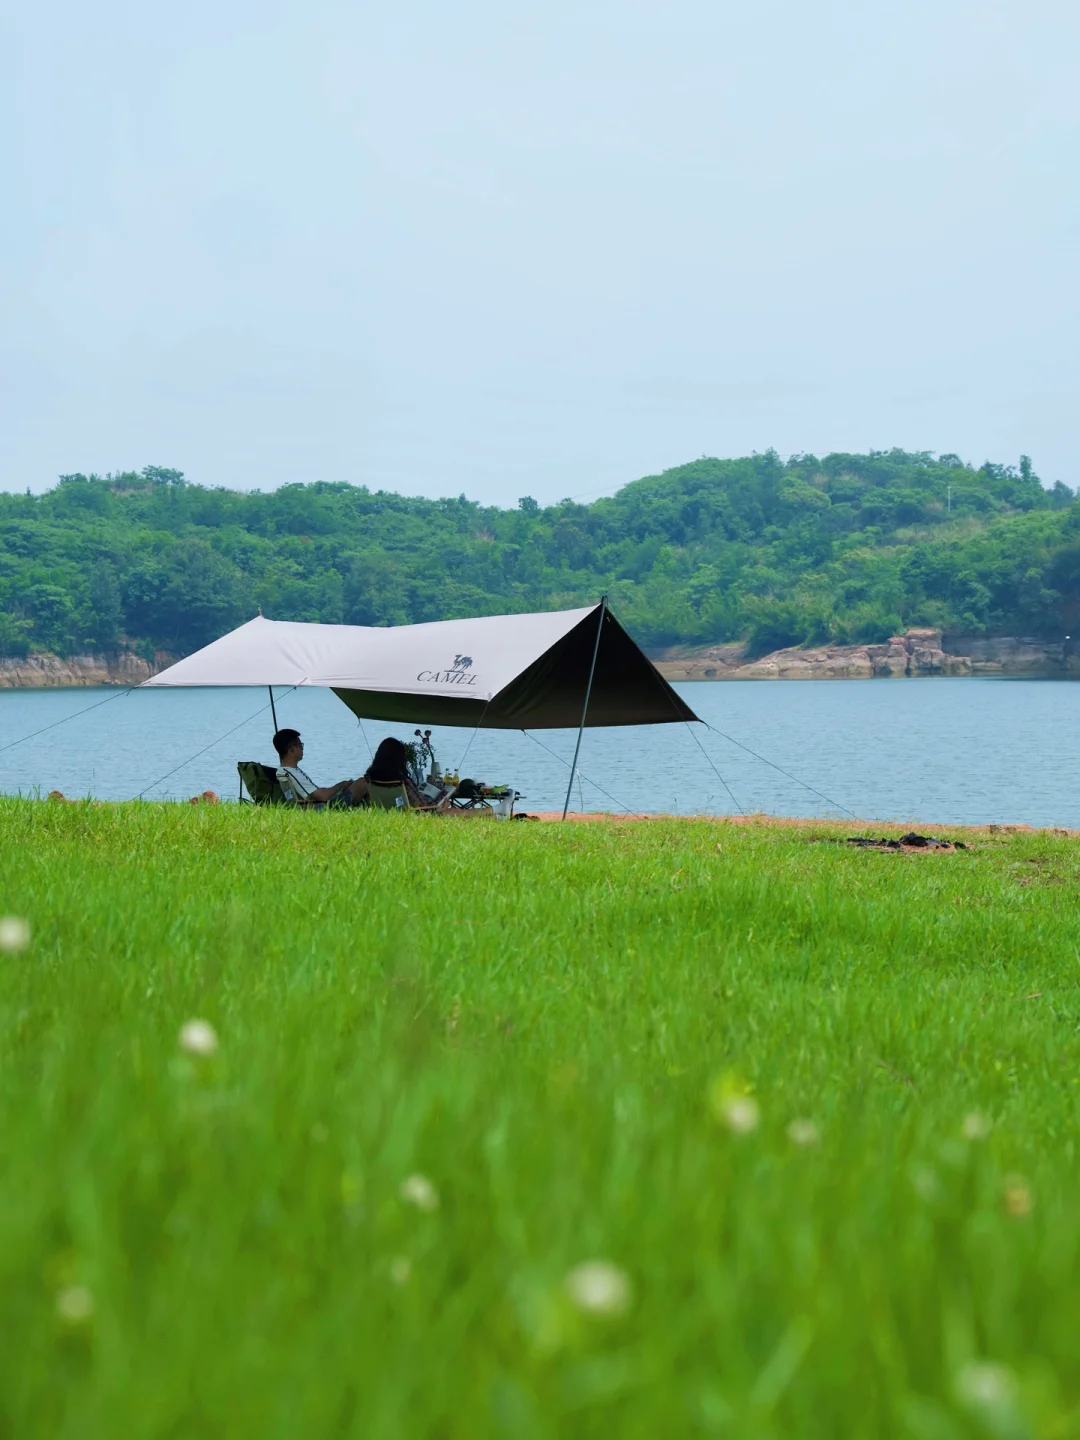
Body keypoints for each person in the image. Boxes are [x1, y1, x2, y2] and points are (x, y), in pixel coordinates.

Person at [273, 729, 368, 808]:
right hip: (324, 808)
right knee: (362, 783)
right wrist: (339, 786)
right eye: (300, 744)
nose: (302, 748)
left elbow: (313, 793)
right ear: (292, 749)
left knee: (359, 784)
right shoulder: (291, 773)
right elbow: (322, 796)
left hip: (319, 803)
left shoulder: (285, 771)